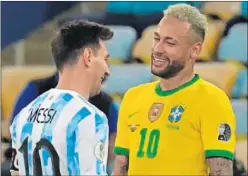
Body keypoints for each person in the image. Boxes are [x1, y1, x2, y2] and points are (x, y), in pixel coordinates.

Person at [112, 4, 236, 176]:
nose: (157, 49)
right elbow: (121, 167)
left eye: (169, 42)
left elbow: (221, 171)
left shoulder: (212, 99)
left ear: (194, 50)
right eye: (157, 39)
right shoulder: (133, 97)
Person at [10, 20, 113, 175]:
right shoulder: (88, 117)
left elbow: (15, 173)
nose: (107, 70)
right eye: (105, 59)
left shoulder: (24, 115)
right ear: (88, 56)